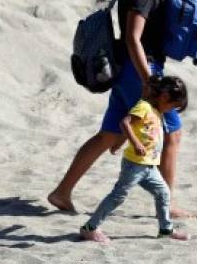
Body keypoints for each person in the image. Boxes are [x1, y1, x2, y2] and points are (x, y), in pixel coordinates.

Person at [48, 0, 193, 217]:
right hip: (139, 70)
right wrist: (147, 80)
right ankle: (165, 206)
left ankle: (62, 192)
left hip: (127, 69)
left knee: (109, 136)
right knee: (172, 134)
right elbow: (132, 38)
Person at [80, 76, 191, 243]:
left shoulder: (156, 112)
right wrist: (135, 143)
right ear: (165, 97)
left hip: (149, 167)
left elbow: (135, 129)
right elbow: (125, 123)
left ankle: (166, 229)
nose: (171, 111)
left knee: (164, 193)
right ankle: (90, 227)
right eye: (173, 107)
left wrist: (119, 143)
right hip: (134, 166)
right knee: (118, 196)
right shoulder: (143, 107)